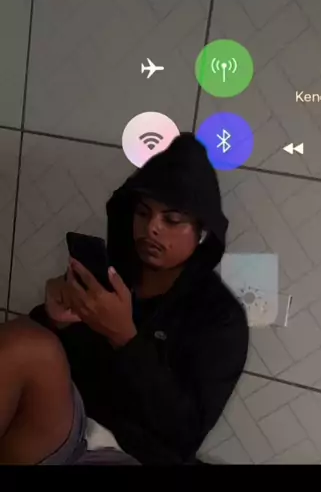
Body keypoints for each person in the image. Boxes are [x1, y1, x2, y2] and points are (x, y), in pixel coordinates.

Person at [0, 133, 249, 465]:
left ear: (201, 233)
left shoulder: (219, 317)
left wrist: (125, 338)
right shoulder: (110, 273)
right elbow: (47, 361)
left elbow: (184, 432)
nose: (152, 228)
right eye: (143, 213)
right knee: (24, 341)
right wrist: (56, 320)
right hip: (70, 422)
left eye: (172, 220)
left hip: (138, 454)